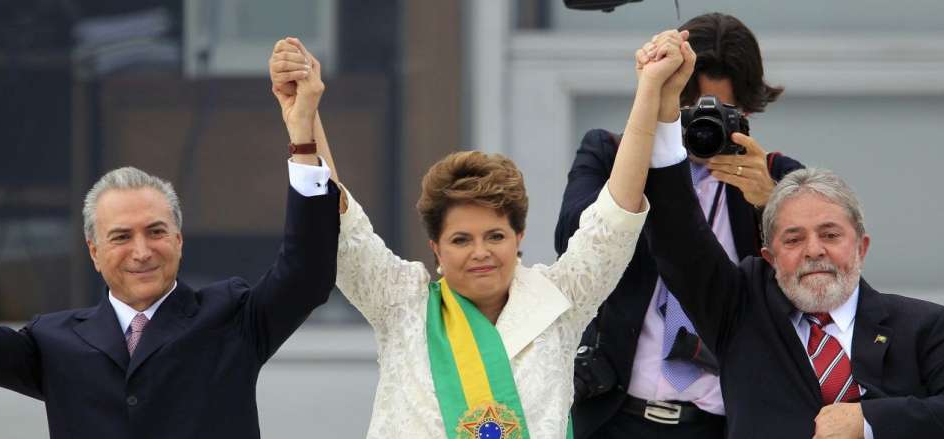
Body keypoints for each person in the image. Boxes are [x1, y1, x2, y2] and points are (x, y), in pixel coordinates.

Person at [266, 33, 694, 438]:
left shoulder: (559, 302)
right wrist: (304, 123)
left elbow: (614, 221)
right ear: (435, 246)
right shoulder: (401, 304)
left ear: (519, 236)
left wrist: (649, 91)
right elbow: (342, 230)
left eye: (494, 236)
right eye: (460, 240)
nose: (480, 253)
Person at [0, 41, 340, 438]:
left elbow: (307, 273)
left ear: (179, 239)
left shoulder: (230, 318)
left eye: (155, 232)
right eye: (121, 236)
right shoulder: (54, 341)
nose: (142, 251)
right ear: (94, 252)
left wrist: (302, 134)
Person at [556, 13, 801, 438]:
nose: (704, 129)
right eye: (691, 113)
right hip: (614, 414)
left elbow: (810, 292)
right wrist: (646, 162)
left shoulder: (777, 176)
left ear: (747, 110)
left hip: (720, 422)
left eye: (725, 112)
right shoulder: (611, 155)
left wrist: (770, 203)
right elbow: (570, 242)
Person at [642, 148, 944, 436]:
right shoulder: (740, 312)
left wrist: (865, 421)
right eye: (794, 239)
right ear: (769, 257)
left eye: (830, 235)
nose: (814, 250)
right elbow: (678, 236)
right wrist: (661, 109)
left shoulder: (924, 326)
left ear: (861, 247)